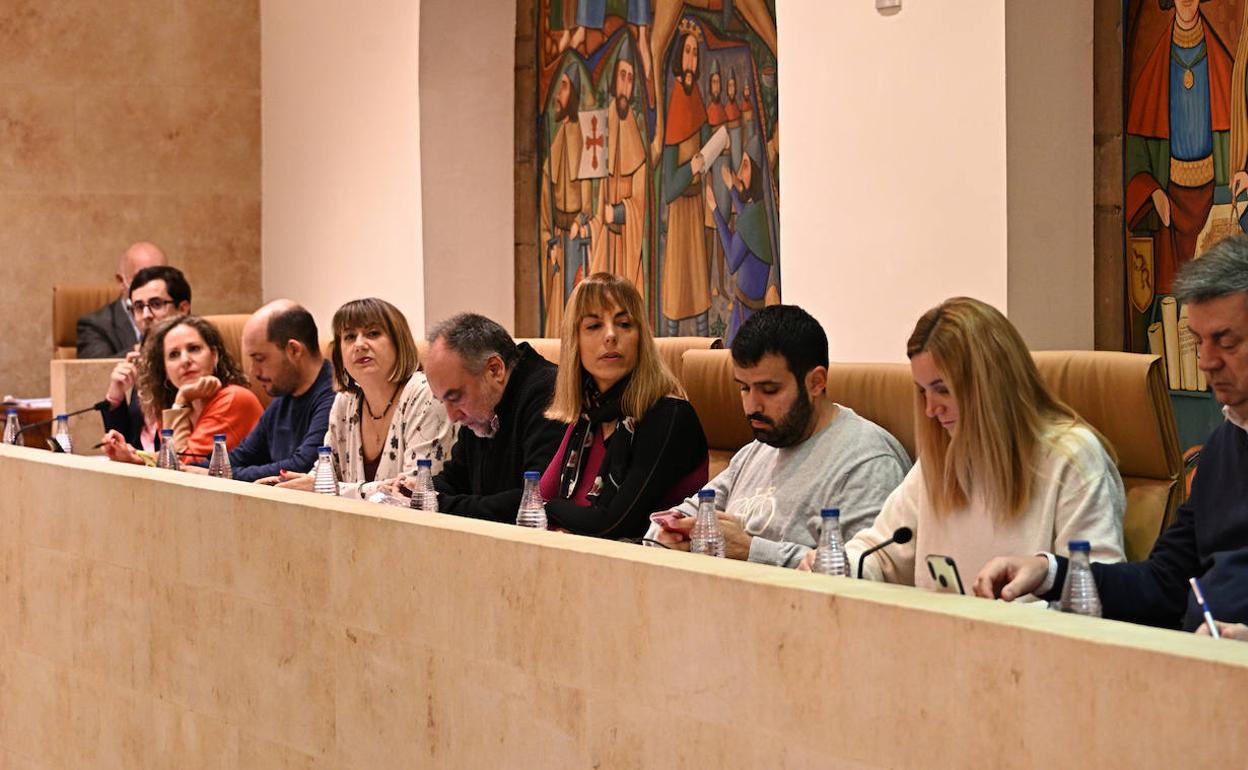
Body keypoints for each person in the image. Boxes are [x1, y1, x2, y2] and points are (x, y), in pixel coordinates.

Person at [976, 236, 1248, 630]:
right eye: (1198, 341)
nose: (1206, 362)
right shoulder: (1225, 443)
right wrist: (1048, 571)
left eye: (1226, 342)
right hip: (1196, 666)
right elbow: (1162, 584)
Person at [802, 297, 1127, 589]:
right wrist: (840, 563)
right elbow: (883, 556)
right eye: (922, 391)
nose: (930, 409)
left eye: (942, 389)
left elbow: (1094, 586)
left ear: (990, 385)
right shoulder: (940, 456)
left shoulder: (1071, 458)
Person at [650, 304, 911, 566]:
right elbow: (692, 510)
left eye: (769, 390)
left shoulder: (868, 462)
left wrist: (750, 549)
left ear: (816, 382)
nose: (752, 406)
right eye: (744, 388)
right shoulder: (758, 448)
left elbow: (862, 571)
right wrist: (668, 531)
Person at [539, 273, 707, 539]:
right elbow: (535, 500)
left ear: (640, 337)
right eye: (594, 326)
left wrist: (549, 510)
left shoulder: (669, 416)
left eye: (624, 324)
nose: (610, 336)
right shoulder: (588, 418)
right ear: (575, 342)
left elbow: (614, 525)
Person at [270, 298, 454, 499]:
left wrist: (329, 488)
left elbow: (414, 491)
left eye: (373, 333)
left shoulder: (426, 394)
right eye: (349, 336)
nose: (359, 344)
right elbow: (324, 475)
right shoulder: (344, 401)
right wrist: (285, 485)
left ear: (399, 341)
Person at [409, 313, 565, 521]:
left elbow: (534, 499)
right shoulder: (483, 404)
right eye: (443, 401)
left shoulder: (549, 393)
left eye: (455, 398)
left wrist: (437, 504)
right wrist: (415, 491)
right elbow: (457, 478)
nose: (452, 416)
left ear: (495, 369)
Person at [101, 315, 263, 464]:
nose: (185, 360)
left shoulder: (234, 399)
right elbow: (168, 457)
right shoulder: (170, 403)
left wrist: (181, 401)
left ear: (214, 355)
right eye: (174, 354)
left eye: (194, 349)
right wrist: (133, 456)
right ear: (164, 369)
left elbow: (181, 467)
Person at [226, 300, 336, 483]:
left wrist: (223, 474)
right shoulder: (284, 396)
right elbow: (243, 455)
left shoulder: (334, 395)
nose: (253, 371)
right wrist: (195, 469)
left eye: (259, 359)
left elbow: (302, 466)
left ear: (294, 350)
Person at [100, 265, 192, 451]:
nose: (146, 315)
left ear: (183, 309)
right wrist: (115, 399)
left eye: (156, 304)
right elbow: (126, 443)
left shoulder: (192, 362)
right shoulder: (144, 358)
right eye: (138, 307)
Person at [660, 26, 711, 336]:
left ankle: (709, 349)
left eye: (696, 53)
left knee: (700, 283)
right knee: (679, 286)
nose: (691, 60)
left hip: (696, 206)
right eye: (687, 52)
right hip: (680, 211)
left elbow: (703, 143)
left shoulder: (696, 99)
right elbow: (669, 186)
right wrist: (690, 169)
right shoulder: (677, 101)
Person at [77, 241, 168, 358]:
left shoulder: (177, 317)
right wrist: (148, 348)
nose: (151, 285)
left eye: (160, 277)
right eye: (141, 278)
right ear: (121, 281)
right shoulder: (95, 325)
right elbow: (97, 370)